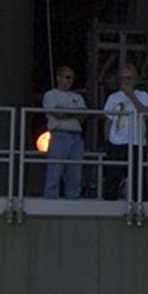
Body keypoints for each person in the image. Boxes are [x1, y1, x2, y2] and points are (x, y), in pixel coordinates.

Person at [102, 62, 148, 201]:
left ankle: (138, 202)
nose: (126, 81)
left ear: (135, 79)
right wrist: (108, 140)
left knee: (138, 176)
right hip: (117, 142)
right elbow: (108, 120)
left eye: (129, 78)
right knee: (113, 175)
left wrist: (132, 96)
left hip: (137, 141)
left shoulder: (143, 95)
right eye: (123, 79)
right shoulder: (113, 98)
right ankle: (110, 202)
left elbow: (147, 114)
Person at [40, 64, 87, 199]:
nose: (69, 81)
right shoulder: (50, 95)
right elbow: (57, 114)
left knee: (75, 175)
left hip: (76, 137)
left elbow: (83, 115)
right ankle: (50, 203)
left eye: (71, 78)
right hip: (59, 135)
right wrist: (74, 113)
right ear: (58, 78)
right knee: (55, 172)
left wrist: (64, 111)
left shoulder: (77, 96)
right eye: (66, 77)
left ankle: (72, 203)